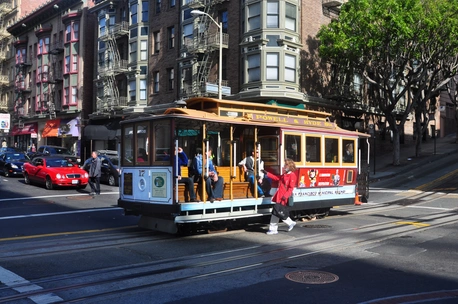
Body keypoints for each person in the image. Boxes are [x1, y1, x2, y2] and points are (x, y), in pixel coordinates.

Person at [263, 158, 297, 235]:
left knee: (276, 211)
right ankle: (289, 223)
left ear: (290, 166)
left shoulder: (292, 175)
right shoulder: (285, 174)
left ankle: (274, 229)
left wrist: (285, 196)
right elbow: (276, 178)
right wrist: (267, 173)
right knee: (277, 212)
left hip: (283, 197)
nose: (284, 166)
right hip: (280, 195)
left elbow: (291, 188)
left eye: (286, 165)